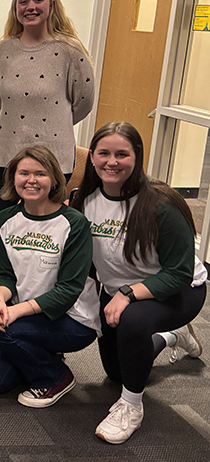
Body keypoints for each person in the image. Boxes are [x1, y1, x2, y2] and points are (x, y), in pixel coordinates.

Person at [71, 122, 207, 444]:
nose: (112, 161)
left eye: (122, 154)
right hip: (117, 291)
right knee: (118, 372)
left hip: (177, 290)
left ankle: (131, 407)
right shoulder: (85, 199)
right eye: (104, 153)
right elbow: (84, 260)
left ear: (138, 157)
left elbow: (179, 273)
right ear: (91, 157)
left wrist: (128, 294)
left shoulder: (162, 204)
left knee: (133, 323)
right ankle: (171, 337)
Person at [0, 146, 100, 408]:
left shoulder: (74, 223)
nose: (31, 180)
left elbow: (68, 290)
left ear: (54, 179)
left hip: (72, 320)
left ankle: (57, 377)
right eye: (24, 173)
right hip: (25, 314)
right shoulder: (5, 219)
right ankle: (42, 351)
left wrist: (15, 312)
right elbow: (3, 273)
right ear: (13, 179)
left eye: (40, 174)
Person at [0, 0, 95, 212]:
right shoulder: (2, 51)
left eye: (38, 0)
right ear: (15, 8)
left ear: (52, 4)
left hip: (53, 157)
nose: (30, 7)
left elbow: (84, 102)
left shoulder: (69, 51)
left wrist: (54, 122)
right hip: (3, 154)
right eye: (23, 1)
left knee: (42, 223)